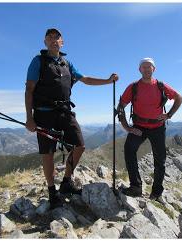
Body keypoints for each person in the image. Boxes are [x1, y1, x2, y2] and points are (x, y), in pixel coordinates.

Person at [25, 28, 118, 209]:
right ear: (45, 42)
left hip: (65, 111)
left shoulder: (67, 63)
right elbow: (29, 90)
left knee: (80, 145)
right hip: (44, 113)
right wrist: (29, 118)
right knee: (48, 154)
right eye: (50, 38)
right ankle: (52, 192)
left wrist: (108, 81)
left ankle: (66, 182)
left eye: (57, 38)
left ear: (62, 42)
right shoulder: (38, 61)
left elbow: (86, 79)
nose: (53, 40)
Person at [117, 57, 182, 200]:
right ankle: (135, 187)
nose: (146, 69)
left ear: (154, 69)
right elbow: (121, 107)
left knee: (160, 160)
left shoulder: (161, 85)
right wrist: (127, 127)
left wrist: (169, 114)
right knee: (129, 150)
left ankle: (156, 192)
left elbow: (179, 98)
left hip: (158, 127)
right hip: (139, 127)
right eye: (144, 67)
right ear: (139, 69)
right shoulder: (133, 86)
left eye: (149, 67)